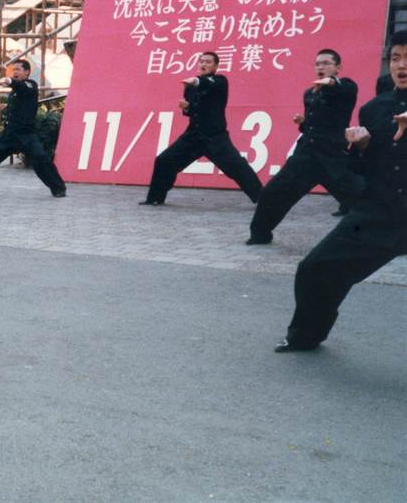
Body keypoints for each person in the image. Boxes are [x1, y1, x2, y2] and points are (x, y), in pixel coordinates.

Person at [274, 30, 407, 353]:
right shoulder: (375, 109)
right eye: (396, 57)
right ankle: (305, 336)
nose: (401, 65)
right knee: (315, 269)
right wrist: (362, 146)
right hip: (380, 213)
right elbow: (364, 168)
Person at [247, 50, 363, 244]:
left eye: (326, 63)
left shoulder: (347, 87)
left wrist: (331, 83)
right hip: (305, 157)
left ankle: (393, 238)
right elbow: (314, 123)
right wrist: (303, 122)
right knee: (273, 192)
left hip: (333, 158)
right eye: (317, 64)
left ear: (338, 68)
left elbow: (342, 90)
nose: (321, 67)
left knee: (362, 198)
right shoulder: (309, 93)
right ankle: (260, 235)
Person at [139, 51, 262, 205]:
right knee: (164, 161)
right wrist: (186, 108)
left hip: (215, 138)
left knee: (238, 167)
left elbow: (206, 83)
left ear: (216, 66)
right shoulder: (190, 87)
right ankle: (155, 198)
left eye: (208, 62)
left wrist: (196, 80)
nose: (203, 64)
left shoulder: (220, 81)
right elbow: (192, 112)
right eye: (201, 61)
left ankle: (263, 200)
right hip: (193, 137)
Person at [0, 60, 66, 197]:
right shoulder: (14, 92)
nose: (15, 72)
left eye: (18, 69)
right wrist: (6, 107)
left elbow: (22, 88)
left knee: (40, 158)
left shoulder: (31, 85)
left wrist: (8, 80)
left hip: (26, 136)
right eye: (13, 69)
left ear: (26, 72)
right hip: (9, 136)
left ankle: (59, 189)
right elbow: (22, 105)